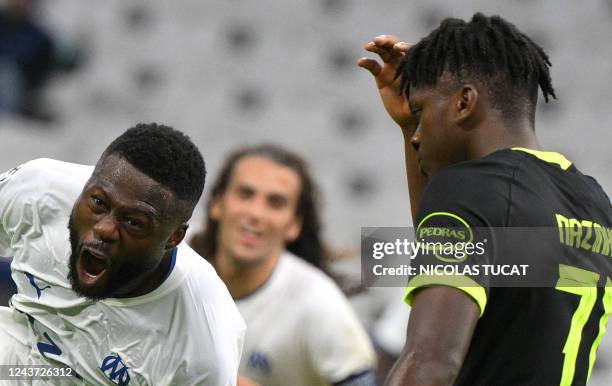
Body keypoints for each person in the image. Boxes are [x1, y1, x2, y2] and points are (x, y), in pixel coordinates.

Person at [358, 12, 612, 386]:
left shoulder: (470, 189)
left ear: (464, 102)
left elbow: (429, 366)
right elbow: (459, 257)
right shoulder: (593, 201)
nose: (415, 136)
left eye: (421, 111)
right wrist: (412, 124)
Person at [0, 123, 245, 385]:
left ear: (174, 237)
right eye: (98, 203)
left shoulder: (203, 344)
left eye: (133, 222)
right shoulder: (41, 190)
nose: (105, 229)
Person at [189, 144, 377, 386]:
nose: (256, 213)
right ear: (217, 204)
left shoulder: (317, 303)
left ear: (294, 225)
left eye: (275, 203)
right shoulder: (166, 256)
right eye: (245, 194)